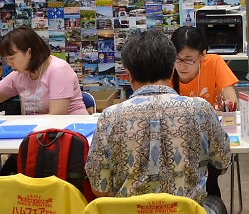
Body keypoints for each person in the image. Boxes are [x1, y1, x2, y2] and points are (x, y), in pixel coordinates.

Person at [86, 30, 230, 214]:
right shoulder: (200, 109)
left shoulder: (110, 117)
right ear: (171, 70)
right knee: (215, 202)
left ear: (129, 75)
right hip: (186, 211)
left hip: (131, 212)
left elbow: (99, 187)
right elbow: (222, 162)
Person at [170, 26, 239, 199]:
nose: (182, 66)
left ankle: (208, 201)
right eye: (177, 58)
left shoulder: (214, 62)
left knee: (210, 169)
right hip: (175, 140)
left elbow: (231, 104)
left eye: (189, 60)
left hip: (205, 141)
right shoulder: (166, 68)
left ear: (203, 55)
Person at [0, 26, 87, 116]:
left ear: (29, 52)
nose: (9, 63)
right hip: (40, 135)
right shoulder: (19, 74)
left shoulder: (58, 70)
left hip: (72, 134)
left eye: (12, 58)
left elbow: (56, 117)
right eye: (6, 59)